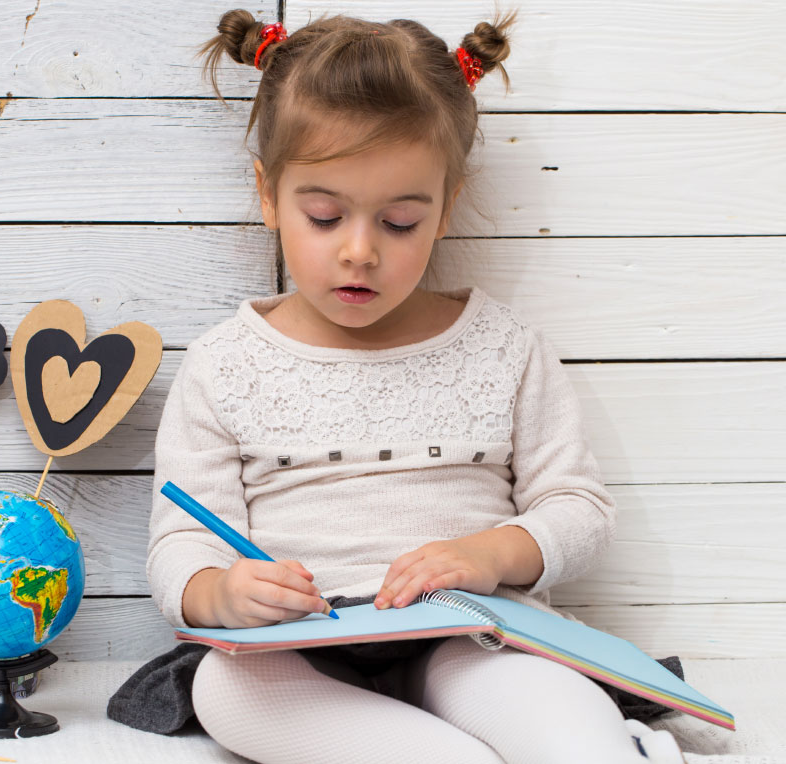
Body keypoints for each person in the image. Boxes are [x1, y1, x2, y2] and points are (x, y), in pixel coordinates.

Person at [134, 9, 686, 764]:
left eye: (398, 223)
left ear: (444, 209)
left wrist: (492, 553)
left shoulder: (506, 349)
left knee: (556, 704)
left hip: (471, 633)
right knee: (225, 691)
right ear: (268, 196)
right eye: (324, 216)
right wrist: (220, 593)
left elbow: (579, 510)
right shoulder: (224, 363)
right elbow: (180, 543)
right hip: (292, 653)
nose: (359, 252)